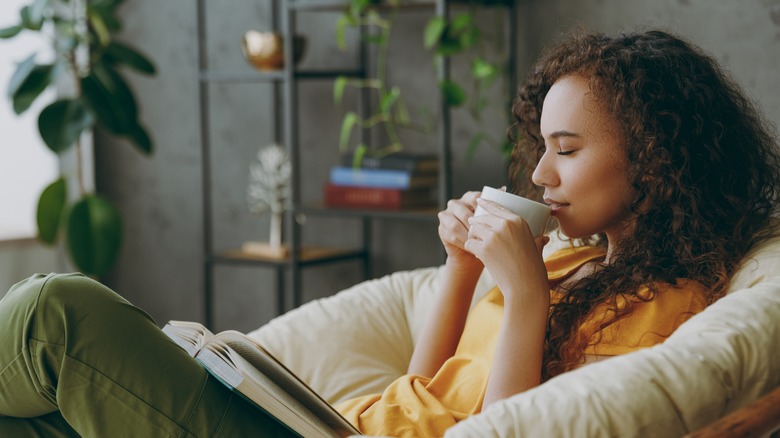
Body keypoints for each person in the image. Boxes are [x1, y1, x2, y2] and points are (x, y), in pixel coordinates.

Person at [1, 29, 778, 437]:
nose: (539, 175)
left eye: (567, 151)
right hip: (340, 425)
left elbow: (510, 430)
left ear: (654, 159)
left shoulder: (664, 304)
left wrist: (526, 296)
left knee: (55, 310)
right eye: (541, 146)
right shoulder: (572, 256)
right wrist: (461, 272)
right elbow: (422, 383)